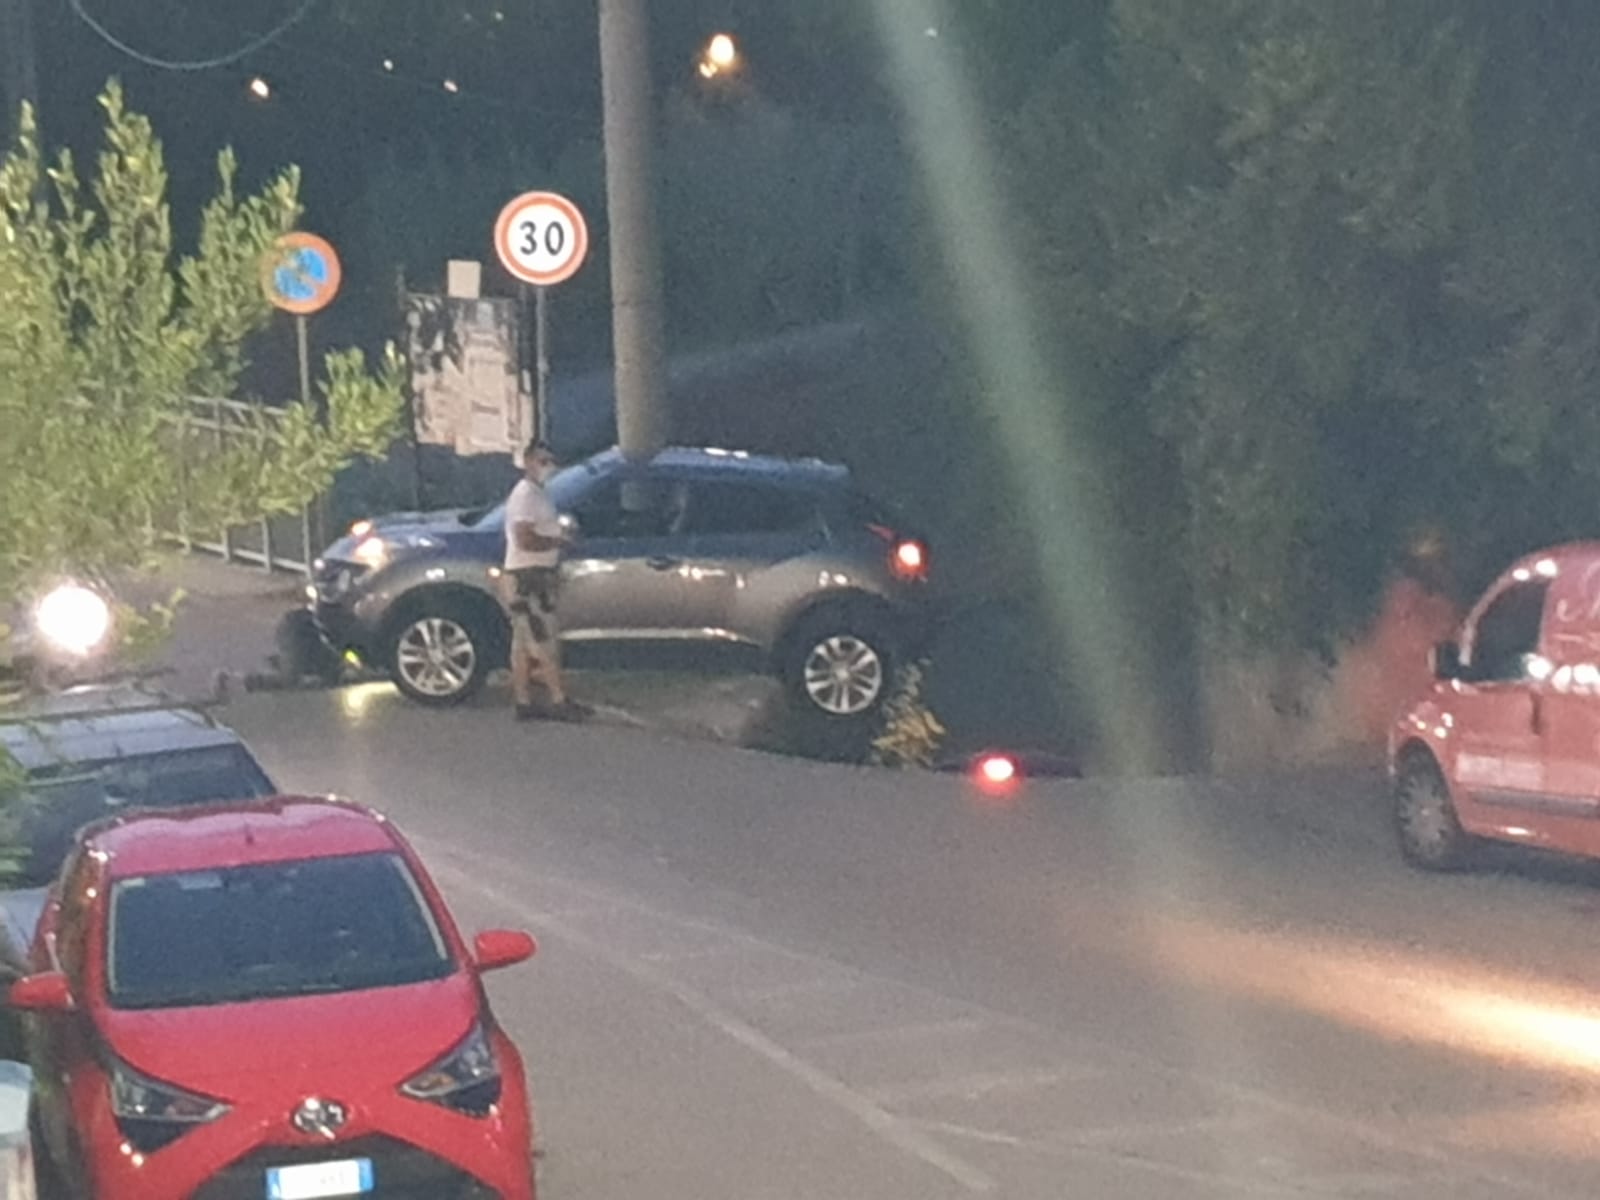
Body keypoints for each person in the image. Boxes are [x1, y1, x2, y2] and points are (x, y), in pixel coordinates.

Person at [502, 440, 585, 722]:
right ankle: (558, 699)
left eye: (550, 461)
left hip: (529, 575)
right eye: (542, 461)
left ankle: (524, 702)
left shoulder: (538, 494)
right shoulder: (526, 495)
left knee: (523, 643)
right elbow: (524, 538)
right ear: (527, 462)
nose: (548, 467)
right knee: (542, 638)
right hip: (529, 578)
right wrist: (558, 541)